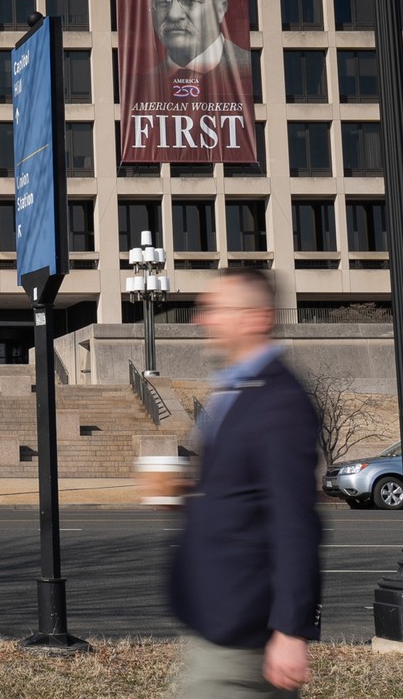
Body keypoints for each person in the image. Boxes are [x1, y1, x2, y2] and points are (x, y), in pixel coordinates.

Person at [156, 267, 322, 697]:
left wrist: (290, 630)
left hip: (245, 634)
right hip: (218, 620)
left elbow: (294, 522)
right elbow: (244, 495)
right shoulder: (240, 390)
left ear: (256, 317)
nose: (201, 320)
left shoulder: (279, 402)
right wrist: (186, 498)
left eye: (214, 310)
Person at [147, 0, 252, 85]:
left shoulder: (250, 69)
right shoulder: (141, 83)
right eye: (162, 2)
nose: (174, 15)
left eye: (190, 1)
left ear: (220, 10)